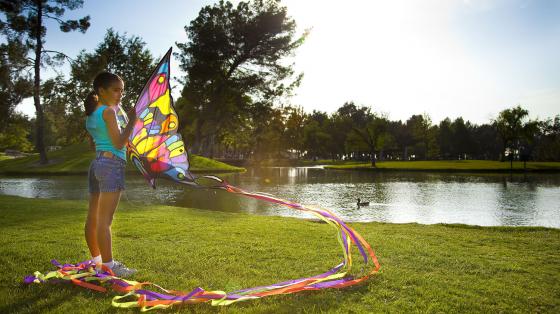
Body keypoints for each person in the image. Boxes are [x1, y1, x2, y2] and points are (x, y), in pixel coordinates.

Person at [84, 72, 137, 277]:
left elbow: (106, 139)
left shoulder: (91, 114)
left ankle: (98, 262)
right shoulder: (108, 112)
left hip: (97, 163)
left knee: (93, 218)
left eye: (122, 90)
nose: (120, 94)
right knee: (104, 221)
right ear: (101, 91)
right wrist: (132, 121)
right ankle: (109, 266)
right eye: (116, 90)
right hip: (111, 165)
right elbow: (118, 143)